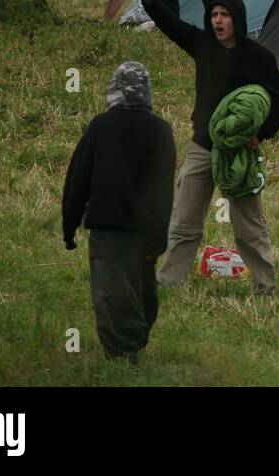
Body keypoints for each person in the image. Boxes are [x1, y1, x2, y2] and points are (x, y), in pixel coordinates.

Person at [132, 0, 279, 297]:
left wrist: (261, 134)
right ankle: (168, 283)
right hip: (202, 147)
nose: (217, 20)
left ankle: (265, 287)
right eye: (214, 15)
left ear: (238, 20)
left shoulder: (258, 57)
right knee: (183, 221)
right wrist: (151, 1)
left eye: (225, 15)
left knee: (249, 227)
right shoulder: (203, 44)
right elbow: (173, 27)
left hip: (237, 154)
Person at [62, 62, 175, 363]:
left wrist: (69, 225)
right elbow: (165, 190)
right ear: (148, 93)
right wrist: (159, 238)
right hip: (145, 228)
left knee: (112, 293)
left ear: (113, 91)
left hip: (108, 228)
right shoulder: (161, 130)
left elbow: (78, 178)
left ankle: (123, 357)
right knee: (141, 290)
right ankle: (133, 347)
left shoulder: (101, 126)